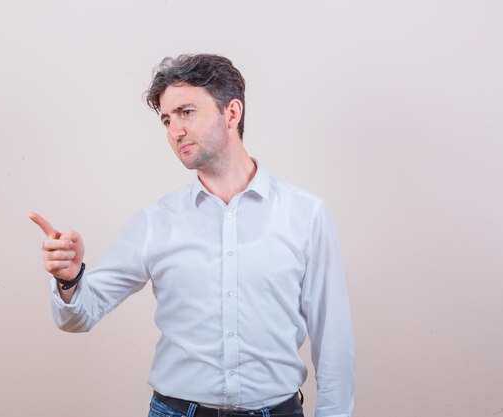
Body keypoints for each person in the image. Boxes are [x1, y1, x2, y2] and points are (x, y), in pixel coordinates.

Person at [29, 54, 355, 417]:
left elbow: (334, 338)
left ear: (232, 113)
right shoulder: (155, 220)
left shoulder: (306, 214)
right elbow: (79, 317)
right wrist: (69, 278)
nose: (174, 131)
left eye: (186, 112)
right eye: (167, 119)